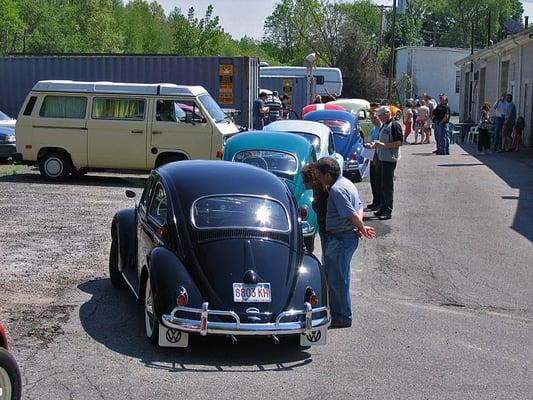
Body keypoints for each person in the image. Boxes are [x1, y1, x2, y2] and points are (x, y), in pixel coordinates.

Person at [316, 157, 375, 328]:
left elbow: (351, 214)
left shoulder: (336, 190)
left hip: (341, 238)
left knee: (338, 280)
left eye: (320, 174)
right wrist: (359, 226)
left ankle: (342, 316)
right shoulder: (346, 183)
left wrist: (361, 228)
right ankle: (339, 313)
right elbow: (359, 206)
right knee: (340, 276)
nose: (318, 178)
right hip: (345, 236)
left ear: (328, 174)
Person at [367, 106, 403, 220]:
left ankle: (387, 210)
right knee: (380, 184)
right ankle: (382, 207)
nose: (379, 119)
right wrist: (373, 145)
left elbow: (399, 142)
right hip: (381, 158)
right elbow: (380, 141)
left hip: (389, 159)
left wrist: (384, 146)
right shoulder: (383, 126)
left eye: (380, 116)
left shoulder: (395, 125)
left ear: (386, 114)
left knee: (387, 186)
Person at [302, 163, 329, 257]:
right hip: (323, 229)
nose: (303, 182)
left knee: (331, 260)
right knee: (326, 258)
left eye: (305, 180)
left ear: (312, 179)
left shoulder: (326, 192)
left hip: (330, 231)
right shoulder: (316, 190)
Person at [365, 114, 382, 211]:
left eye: (375, 118)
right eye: (371, 118)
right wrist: (367, 157)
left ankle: (379, 202)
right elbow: (371, 141)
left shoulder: (381, 129)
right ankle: (375, 201)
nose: (373, 120)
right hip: (372, 156)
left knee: (378, 180)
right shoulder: (374, 129)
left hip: (379, 156)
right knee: (373, 180)